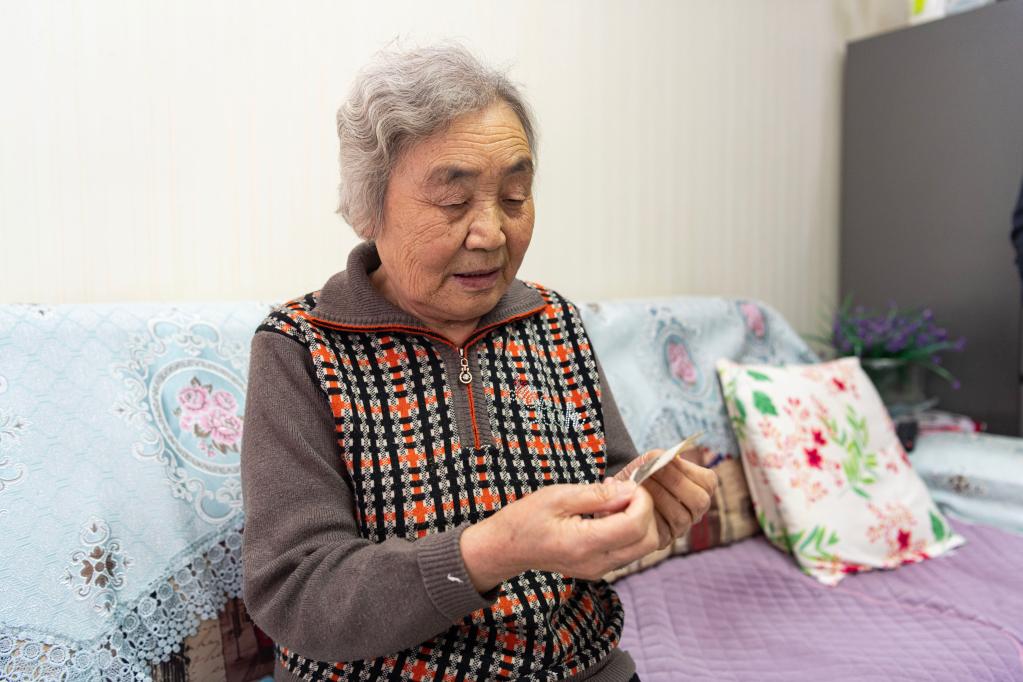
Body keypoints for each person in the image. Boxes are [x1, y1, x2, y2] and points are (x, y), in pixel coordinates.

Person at [240, 44, 718, 682]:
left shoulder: (553, 320)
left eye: (515, 196)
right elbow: (298, 593)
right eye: (452, 202)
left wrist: (643, 502)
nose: (492, 233)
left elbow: (607, 480)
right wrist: (493, 549)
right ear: (368, 209)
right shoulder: (299, 347)